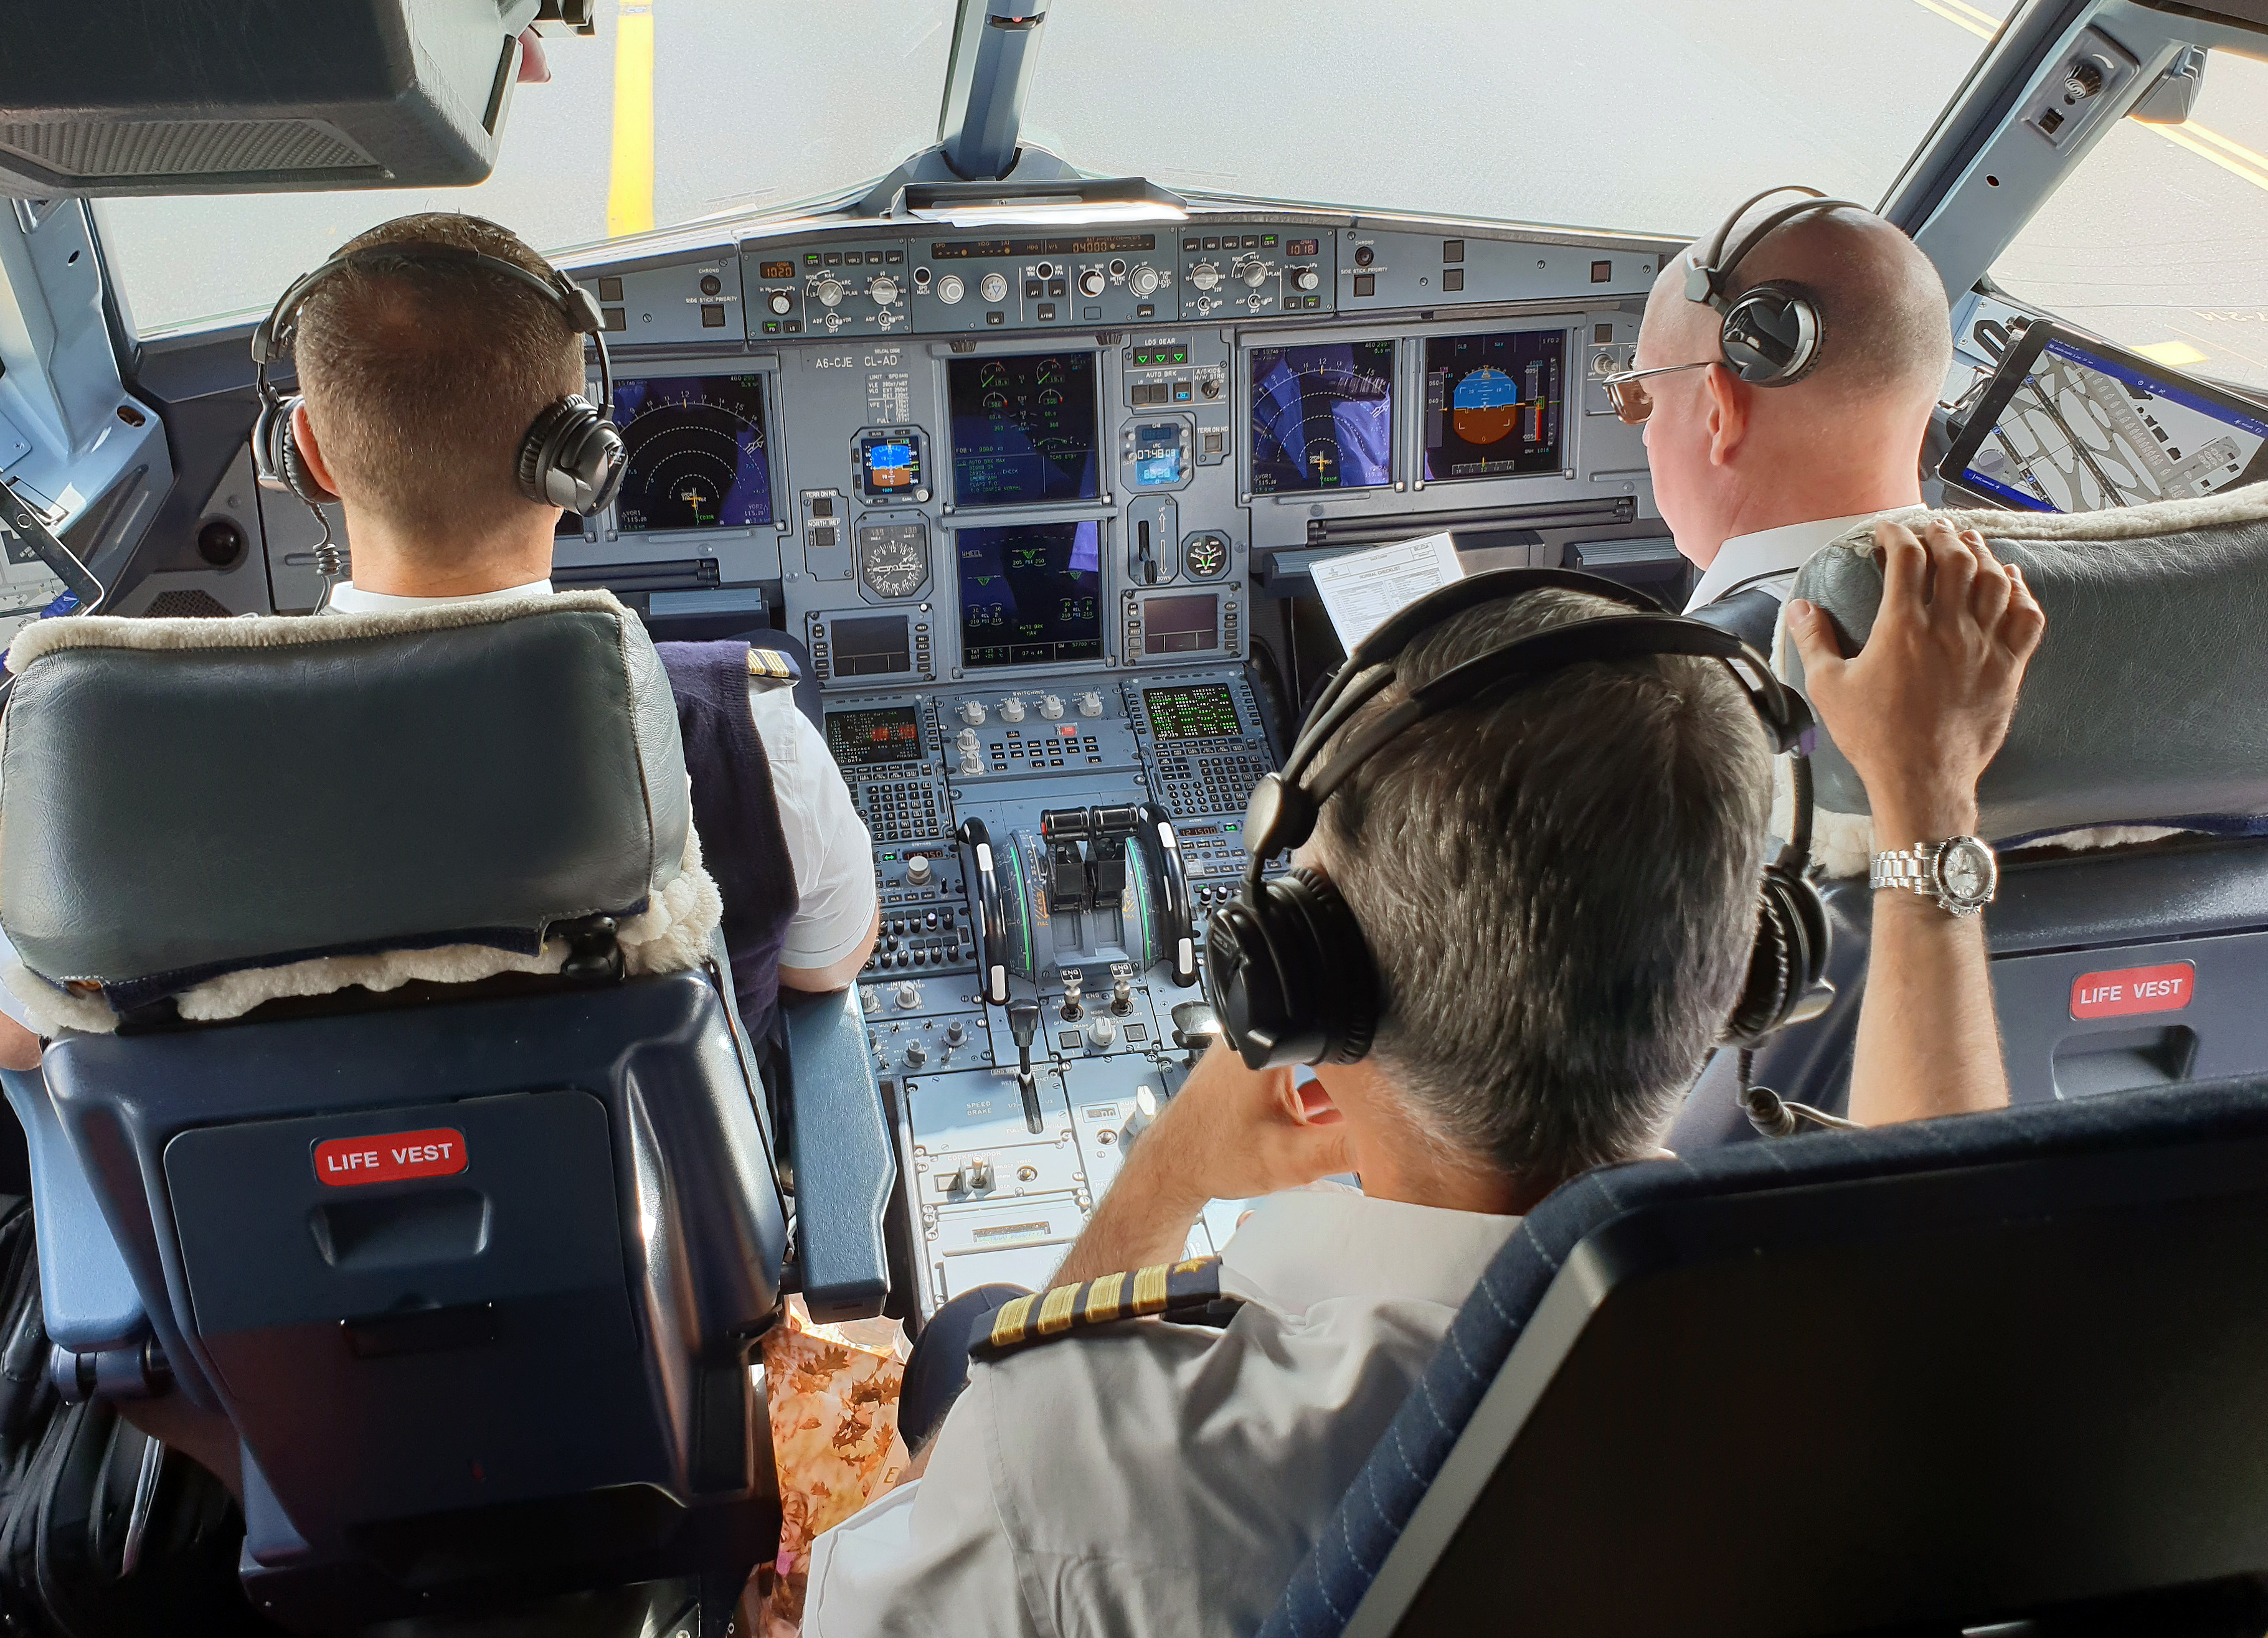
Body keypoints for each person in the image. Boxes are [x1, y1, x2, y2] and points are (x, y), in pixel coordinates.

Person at [801, 519, 2042, 1638]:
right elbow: (1944, 1245)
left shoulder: (1071, 1457)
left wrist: (1166, 1174)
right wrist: (1927, 800)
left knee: (968, 1337)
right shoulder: (1881, 1386)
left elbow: (854, 1616)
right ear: (1744, 982)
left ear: (1295, 991)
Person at [0, 213, 879, 1076]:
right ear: (579, 456)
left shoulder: (126, 757)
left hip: (270, 1281)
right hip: (659, 1274)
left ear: (304, 452)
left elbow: (1, 1029)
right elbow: (825, 967)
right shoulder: (753, 736)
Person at [1614, 187, 1952, 639]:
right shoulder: (2048, 588)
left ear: (1720, 416)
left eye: (1650, 399)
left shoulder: (1680, 683)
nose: (1647, 436)